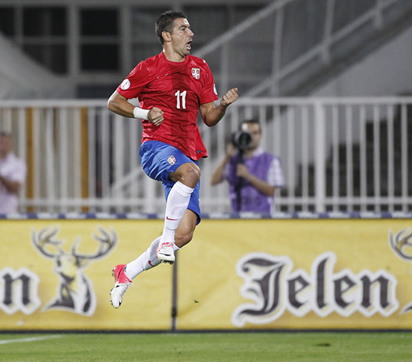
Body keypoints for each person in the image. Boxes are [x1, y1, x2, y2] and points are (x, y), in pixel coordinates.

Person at [106, 10, 238, 308]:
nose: (190, 34)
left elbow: (209, 117)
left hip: (186, 154)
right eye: (183, 28)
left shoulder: (200, 68)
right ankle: (164, 241)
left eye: (190, 29)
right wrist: (143, 113)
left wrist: (223, 106)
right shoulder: (148, 68)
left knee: (185, 234)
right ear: (166, 35)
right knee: (191, 175)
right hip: (156, 148)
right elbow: (114, 102)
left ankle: (126, 272)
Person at [210, 119, 284, 213]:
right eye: (247, 133)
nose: (251, 137)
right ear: (240, 135)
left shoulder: (271, 160)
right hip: (238, 217)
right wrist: (227, 158)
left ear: (260, 136)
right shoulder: (232, 159)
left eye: (255, 133)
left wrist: (247, 176)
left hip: (264, 218)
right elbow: (214, 180)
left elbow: (271, 191)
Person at [0, 132, 27, 213]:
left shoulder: (17, 164)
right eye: (1, 142)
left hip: (7, 212)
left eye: (6, 143)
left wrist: (1, 178)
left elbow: (15, 188)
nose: (3, 146)